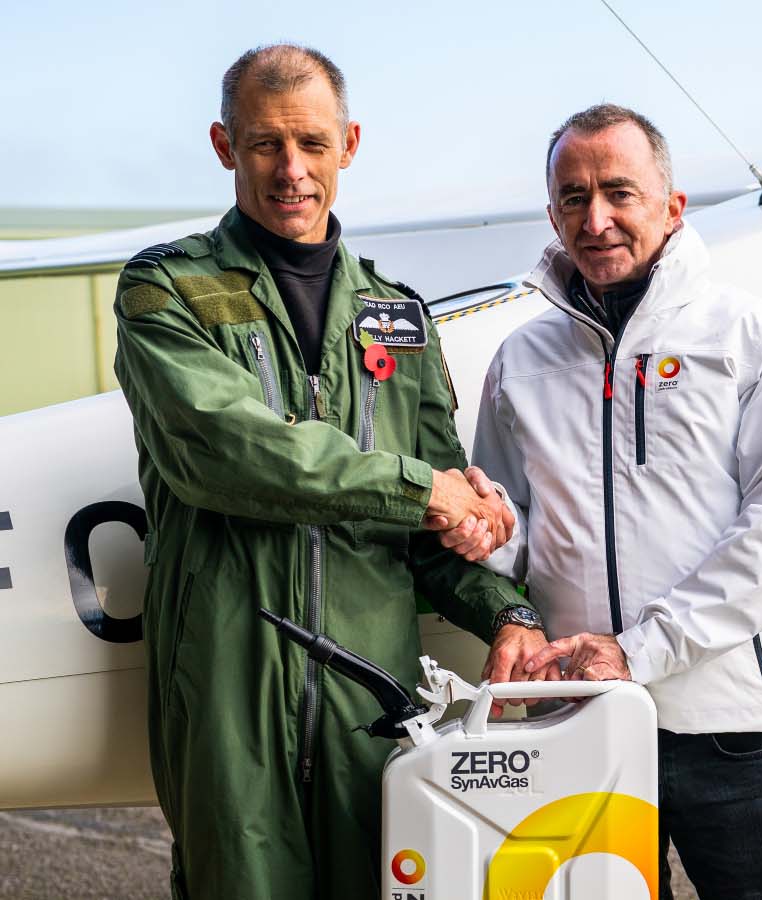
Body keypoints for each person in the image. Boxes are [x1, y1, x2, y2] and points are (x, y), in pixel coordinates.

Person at [112, 43, 549, 899]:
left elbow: (434, 518)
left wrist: (508, 611)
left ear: (349, 144)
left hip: (373, 704)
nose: (291, 170)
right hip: (229, 694)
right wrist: (425, 490)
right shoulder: (165, 289)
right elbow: (226, 448)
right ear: (222, 144)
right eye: (265, 144)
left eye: (312, 144)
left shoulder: (397, 315)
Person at [448, 103, 762, 898]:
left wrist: (641, 650)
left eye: (620, 192)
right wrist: (484, 532)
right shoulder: (520, 360)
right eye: (573, 197)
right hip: (578, 715)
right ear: (552, 214)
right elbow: (519, 533)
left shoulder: (751, 336)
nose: (597, 219)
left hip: (730, 725)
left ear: (672, 205)